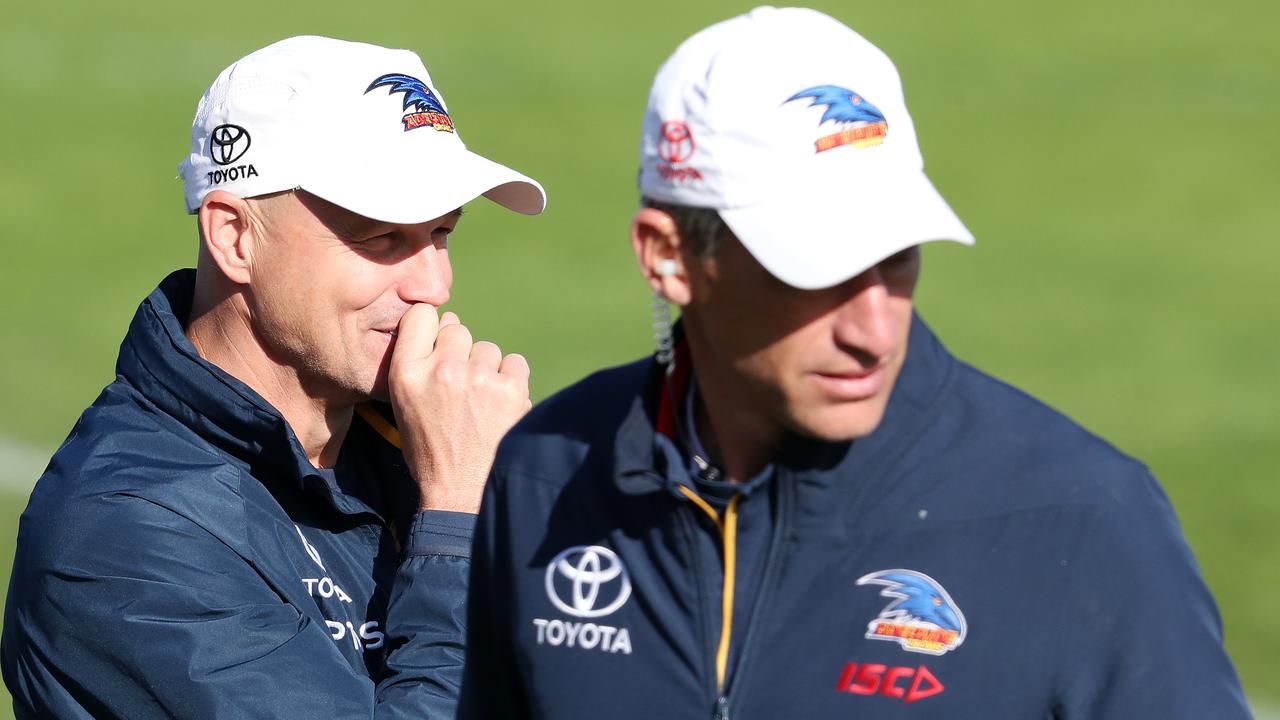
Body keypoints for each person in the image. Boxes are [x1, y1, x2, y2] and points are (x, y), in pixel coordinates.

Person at [458, 7, 1251, 719]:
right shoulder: (542, 482)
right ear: (667, 256)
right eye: (817, 270)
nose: (875, 329)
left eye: (898, 256)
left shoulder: (1080, 517)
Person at [2, 36, 544, 718]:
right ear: (234, 236)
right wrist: (461, 520)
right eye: (381, 239)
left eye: (441, 234)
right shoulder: (126, 537)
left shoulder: (422, 439)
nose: (433, 285)